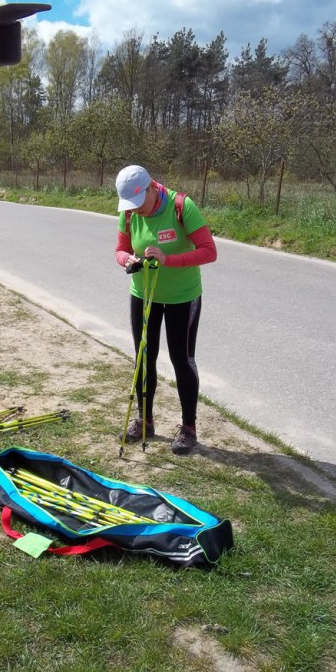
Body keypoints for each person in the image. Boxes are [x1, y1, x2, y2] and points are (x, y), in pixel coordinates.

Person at [114, 164, 217, 455]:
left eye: (139, 203)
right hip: (143, 295)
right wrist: (127, 261)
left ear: (150, 187)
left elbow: (209, 251)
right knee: (144, 358)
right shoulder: (129, 213)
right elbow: (120, 250)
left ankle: (188, 427)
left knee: (181, 360)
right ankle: (144, 420)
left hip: (182, 298)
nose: (137, 211)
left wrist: (168, 259)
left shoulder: (182, 206)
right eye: (130, 206)